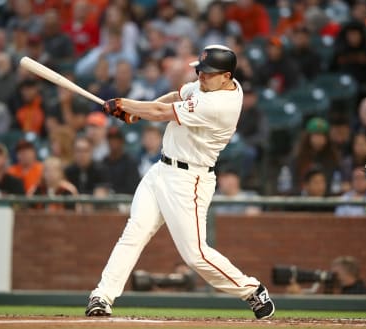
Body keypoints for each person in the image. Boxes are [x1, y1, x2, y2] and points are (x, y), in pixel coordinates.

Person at [85, 45, 275, 320]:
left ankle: (252, 290)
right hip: (161, 169)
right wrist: (135, 113)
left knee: (195, 254)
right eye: (200, 69)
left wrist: (126, 105)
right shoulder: (206, 87)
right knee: (134, 233)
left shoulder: (220, 104)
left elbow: (163, 113)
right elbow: (176, 95)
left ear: (227, 76)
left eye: (208, 73)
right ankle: (102, 296)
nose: (201, 76)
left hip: (190, 180)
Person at [102, 126, 140, 194]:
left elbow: (133, 188)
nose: (113, 142)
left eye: (116, 139)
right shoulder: (104, 161)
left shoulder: (130, 162)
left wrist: (113, 192)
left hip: (125, 201)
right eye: (110, 139)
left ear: (122, 141)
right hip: (107, 201)